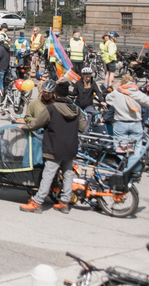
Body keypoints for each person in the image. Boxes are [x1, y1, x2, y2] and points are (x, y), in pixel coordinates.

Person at [20, 83, 87, 213]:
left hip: (54, 147)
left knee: (48, 175)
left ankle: (37, 202)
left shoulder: (51, 109)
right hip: (71, 147)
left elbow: (36, 124)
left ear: (56, 93)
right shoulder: (76, 110)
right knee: (67, 174)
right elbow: (83, 127)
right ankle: (64, 202)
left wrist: (24, 127)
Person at [107, 77, 149, 162]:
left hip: (120, 123)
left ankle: (121, 166)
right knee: (136, 146)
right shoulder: (137, 93)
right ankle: (134, 167)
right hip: (135, 123)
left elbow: (108, 99)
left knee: (120, 147)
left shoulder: (117, 92)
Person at [73, 68, 102, 132]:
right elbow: (74, 93)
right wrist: (65, 92)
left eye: (89, 76)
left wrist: (102, 100)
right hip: (79, 104)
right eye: (86, 77)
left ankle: (86, 131)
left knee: (90, 116)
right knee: (80, 118)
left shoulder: (92, 83)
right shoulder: (78, 83)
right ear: (83, 75)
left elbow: (98, 92)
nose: (88, 78)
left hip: (88, 104)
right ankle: (79, 131)